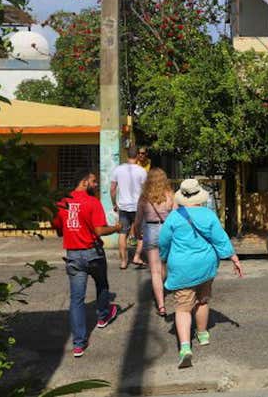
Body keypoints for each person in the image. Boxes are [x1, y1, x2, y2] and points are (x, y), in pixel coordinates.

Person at [159, 178, 244, 369]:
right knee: (203, 300)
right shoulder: (208, 215)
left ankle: (185, 348)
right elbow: (220, 238)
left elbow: (163, 241)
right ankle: (203, 334)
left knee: (182, 308)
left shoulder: (174, 217)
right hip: (206, 265)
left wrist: (163, 258)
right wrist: (234, 258)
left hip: (182, 268)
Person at [52, 169, 121, 357]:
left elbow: (58, 230)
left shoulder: (63, 202)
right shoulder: (92, 202)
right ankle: (103, 315)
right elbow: (99, 231)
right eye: (93, 181)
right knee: (102, 284)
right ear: (84, 182)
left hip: (73, 255)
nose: (96, 184)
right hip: (93, 254)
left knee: (76, 300)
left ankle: (78, 344)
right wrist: (116, 228)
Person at [133, 167, 175, 317]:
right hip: (167, 231)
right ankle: (162, 287)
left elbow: (138, 220)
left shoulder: (144, 197)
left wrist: (137, 233)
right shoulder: (170, 195)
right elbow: (176, 216)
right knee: (164, 266)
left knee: (155, 271)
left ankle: (161, 305)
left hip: (150, 230)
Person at [110, 145, 147, 269]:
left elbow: (112, 189)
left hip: (123, 207)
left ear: (127, 155)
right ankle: (137, 256)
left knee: (122, 233)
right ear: (137, 156)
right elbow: (145, 191)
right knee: (141, 234)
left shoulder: (118, 170)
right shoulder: (142, 171)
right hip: (138, 207)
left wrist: (114, 203)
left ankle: (123, 261)